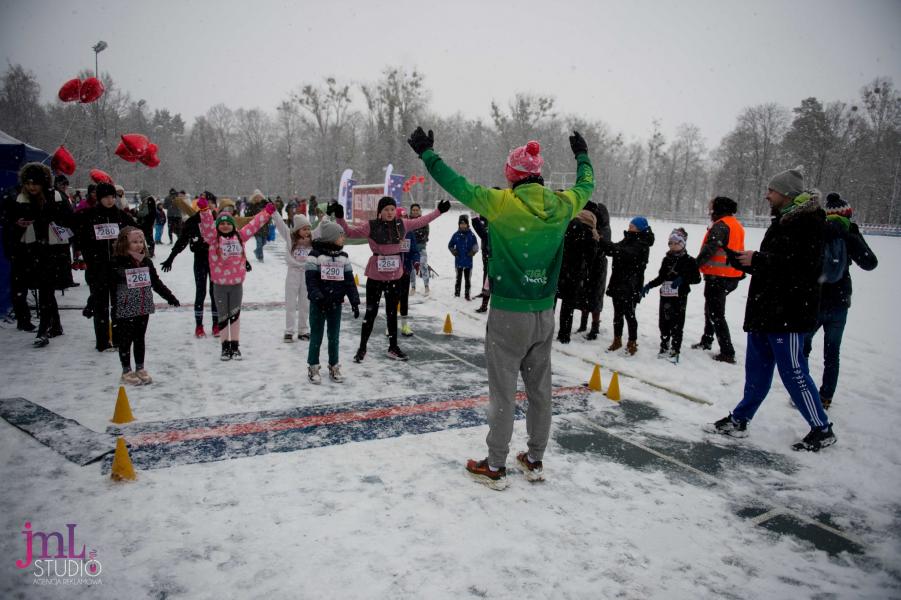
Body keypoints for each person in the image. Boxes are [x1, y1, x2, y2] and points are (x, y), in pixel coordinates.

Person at [409, 126, 594, 490]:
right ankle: (535, 458)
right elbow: (587, 185)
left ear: (512, 176)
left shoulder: (500, 202)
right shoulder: (561, 203)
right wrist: (582, 155)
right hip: (544, 312)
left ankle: (495, 465)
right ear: (539, 174)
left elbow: (455, 182)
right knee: (541, 391)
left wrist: (428, 153)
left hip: (508, 313)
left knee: (503, 393)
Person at [711, 168, 835, 452]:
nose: (766, 195)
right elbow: (775, 265)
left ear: (787, 194)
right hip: (765, 311)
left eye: (771, 191)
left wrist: (761, 259)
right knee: (756, 372)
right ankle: (740, 419)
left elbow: (802, 267)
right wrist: (746, 262)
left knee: (793, 372)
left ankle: (822, 428)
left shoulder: (810, 223)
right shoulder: (782, 222)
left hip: (788, 314)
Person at [335, 195, 446, 362]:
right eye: (386, 209)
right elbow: (350, 232)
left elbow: (422, 221)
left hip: (395, 276)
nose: (390, 212)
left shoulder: (403, 224)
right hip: (376, 276)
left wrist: (439, 211)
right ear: (380, 211)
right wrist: (340, 218)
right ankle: (362, 347)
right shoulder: (371, 226)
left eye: (392, 209)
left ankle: (393, 347)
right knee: (370, 313)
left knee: (392, 313)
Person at [802, 192, 878, 410]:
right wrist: (850, 237)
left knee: (802, 348)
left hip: (816, 299)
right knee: (832, 353)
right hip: (840, 301)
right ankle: (825, 397)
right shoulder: (849, 231)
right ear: (848, 214)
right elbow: (870, 263)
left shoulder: (820, 229)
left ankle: (803, 391)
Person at [197, 196, 274, 360]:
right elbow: (207, 226)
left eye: (228, 223)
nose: (225, 226)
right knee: (223, 315)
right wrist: (204, 211)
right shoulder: (213, 239)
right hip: (219, 285)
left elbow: (253, 225)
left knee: (235, 315)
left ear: (233, 224)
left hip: (236, 284)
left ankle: (235, 346)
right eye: (222, 223)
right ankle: (225, 347)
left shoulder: (239, 236)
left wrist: (266, 213)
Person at [5, 163, 73, 345]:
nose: (31, 187)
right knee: (42, 291)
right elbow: (7, 221)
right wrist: (16, 225)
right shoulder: (17, 197)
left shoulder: (55, 197)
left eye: (35, 183)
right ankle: (54, 325)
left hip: (50, 252)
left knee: (46, 290)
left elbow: (68, 222)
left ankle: (44, 329)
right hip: (26, 252)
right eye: (28, 183)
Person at [108, 227, 179, 385]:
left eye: (141, 242)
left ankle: (140, 367)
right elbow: (105, 285)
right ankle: (126, 370)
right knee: (125, 340)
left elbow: (155, 282)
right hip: (125, 308)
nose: (139, 245)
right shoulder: (117, 262)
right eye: (134, 242)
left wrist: (170, 297)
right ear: (124, 243)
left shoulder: (145, 261)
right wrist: (94, 304)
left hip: (143, 306)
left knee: (140, 338)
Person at [75, 181, 136, 351]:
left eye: (112, 197)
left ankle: (117, 339)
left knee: (118, 306)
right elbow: (81, 239)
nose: (110, 200)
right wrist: (91, 258)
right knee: (101, 306)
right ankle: (102, 341)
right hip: (98, 269)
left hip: (118, 270)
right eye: (106, 197)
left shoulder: (121, 216)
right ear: (99, 198)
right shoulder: (89, 216)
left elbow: (136, 232)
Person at [161, 194, 228, 338]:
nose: (209, 206)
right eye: (206, 203)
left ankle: (216, 324)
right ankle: (199, 326)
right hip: (200, 260)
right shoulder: (193, 221)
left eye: (212, 203)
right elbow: (182, 241)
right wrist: (170, 258)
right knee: (201, 292)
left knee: (215, 293)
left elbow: (233, 239)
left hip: (215, 261)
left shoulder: (220, 221)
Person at [304, 220, 361, 383]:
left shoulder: (344, 257)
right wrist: (317, 296)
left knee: (334, 336)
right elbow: (310, 280)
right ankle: (313, 366)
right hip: (318, 304)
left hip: (335, 303)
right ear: (331, 237)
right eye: (341, 235)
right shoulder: (315, 256)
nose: (343, 238)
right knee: (316, 335)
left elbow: (349, 281)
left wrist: (355, 301)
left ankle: (334, 365)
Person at [692, 196, 746, 363]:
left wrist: (693, 266)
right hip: (732, 275)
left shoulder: (721, 225)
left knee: (716, 313)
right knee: (711, 309)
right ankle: (707, 340)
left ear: (718, 208)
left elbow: (709, 249)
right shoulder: (735, 224)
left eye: (712, 206)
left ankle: (727, 351)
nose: (710, 209)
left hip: (718, 276)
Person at [641, 228, 700, 363]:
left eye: (676, 243)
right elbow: (661, 277)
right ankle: (664, 344)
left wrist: (683, 279)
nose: (673, 246)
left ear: (683, 243)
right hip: (665, 295)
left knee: (677, 324)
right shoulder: (666, 259)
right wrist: (649, 285)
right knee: (664, 322)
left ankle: (675, 349)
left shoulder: (690, 261)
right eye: (670, 243)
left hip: (680, 297)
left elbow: (697, 279)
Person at [598, 216, 655, 356]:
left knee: (629, 314)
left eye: (632, 226)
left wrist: (603, 241)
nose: (630, 228)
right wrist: (600, 240)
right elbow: (613, 250)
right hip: (619, 281)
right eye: (630, 225)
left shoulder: (642, 243)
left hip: (631, 284)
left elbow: (622, 253)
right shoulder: (628, 238)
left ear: (640, 228)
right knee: (617, 314)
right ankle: (617, 340)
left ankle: (632, 342)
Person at [556, 209, 599, 343]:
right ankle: (564, 335)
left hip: (559, 270)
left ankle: (543, 330)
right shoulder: (592, 234)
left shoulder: (567, 226)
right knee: (568, 307)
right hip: (575, 274)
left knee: (550, 302)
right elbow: (591, 258)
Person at [272, 210, 313, 342]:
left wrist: (327, 217)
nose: (307, 232)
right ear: (298, 230)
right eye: (304, 229)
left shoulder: (312, 240)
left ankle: (303, 330)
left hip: (307, 274)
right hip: (293, 273)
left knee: (305, 303)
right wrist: (273, 212)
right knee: (290, 303)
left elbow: (323, 229)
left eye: (308, 229)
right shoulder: (290, 238)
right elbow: (280, 224)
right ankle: (289, 331)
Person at [578, 200, 611, 339]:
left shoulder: (603, 229)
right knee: (585, 295)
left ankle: (594, 327)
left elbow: (602, 247)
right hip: (590, 265)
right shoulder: (596, 227)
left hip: (597, 266)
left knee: (595, 297)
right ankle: (583, 324)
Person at [448, 214, 479, 300]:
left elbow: (476, 246)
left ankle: (467, 294)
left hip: (468, 262)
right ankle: (457, 294)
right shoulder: (456, 235)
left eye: (464, 223)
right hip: (458, 261)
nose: (462, 225)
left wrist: (472, 252)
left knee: (467, 280)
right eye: (461, 223)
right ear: (459, 225)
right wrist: (454, 252)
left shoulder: (471, 235)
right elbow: (450, 245)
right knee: (458, 279)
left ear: (467, 224)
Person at [408, 203, 431, 297]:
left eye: (417, 210)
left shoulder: (424, 221)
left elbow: (425, 235)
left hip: (421, 248)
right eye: (413, 210)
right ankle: (413, 287)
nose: (415, 212)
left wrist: (415, 234)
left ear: (419, 211)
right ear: (411, 211)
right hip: (410, 250)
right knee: (411, 269)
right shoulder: (407, 221)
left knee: (423, 267)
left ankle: (426, 286)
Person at [471, 211, 491, 312]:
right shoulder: (485, 213)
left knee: (490, 275)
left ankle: (486, 301)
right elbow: (482, 232)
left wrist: (474, 218)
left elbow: (483, 233)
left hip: (495, 253)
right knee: (486, 273)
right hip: (487, 250)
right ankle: (484, 298)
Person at [245, 189, 270, 262]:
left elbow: (269, 213)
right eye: (256, 197)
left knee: (264, 242)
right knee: (259, 242)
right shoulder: (251, 205)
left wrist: (269, 218)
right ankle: (260, 257)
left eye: (259, 197)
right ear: (254, 198)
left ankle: (256, 251)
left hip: (265, 227)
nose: (258, 198)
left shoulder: (265, 205)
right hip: (256, 227)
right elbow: (247, 215)